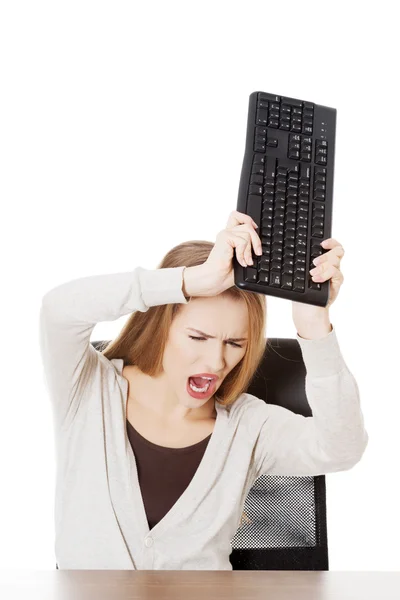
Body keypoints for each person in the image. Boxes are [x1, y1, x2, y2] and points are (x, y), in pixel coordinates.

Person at [40, 210, 368, 570]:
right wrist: (192, 280)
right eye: (198, 337)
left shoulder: (248, 426)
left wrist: (314, 326)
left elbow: (342, 448)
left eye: (235, 343)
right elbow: (59, 309)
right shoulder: (91, 389)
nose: (215, 362)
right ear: (161, 325)